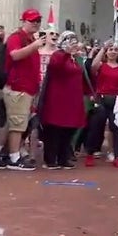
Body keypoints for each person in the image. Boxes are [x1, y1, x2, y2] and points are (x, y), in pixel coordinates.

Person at [0, 9, 46, 171]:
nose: (35, 23)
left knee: (12, 122)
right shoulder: (17, 37)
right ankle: (14, 157)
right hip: (18, 87)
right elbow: (15, 55)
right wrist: (34, 45)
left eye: (38, 20)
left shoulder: (28, 38)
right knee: (17, 125)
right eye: (32, 20)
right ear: (23, 21)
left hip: (25, 87)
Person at [38, 32, 87, 169]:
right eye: (70, 41)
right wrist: (66, 52)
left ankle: (63, 158)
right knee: (54, 131)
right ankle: (50, 159)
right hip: (57, 100)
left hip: (73, 100)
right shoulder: (58, 55)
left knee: (68, 131)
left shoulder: (75, 59)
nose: (73, 44)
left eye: (74, 41)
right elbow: (56, 67)